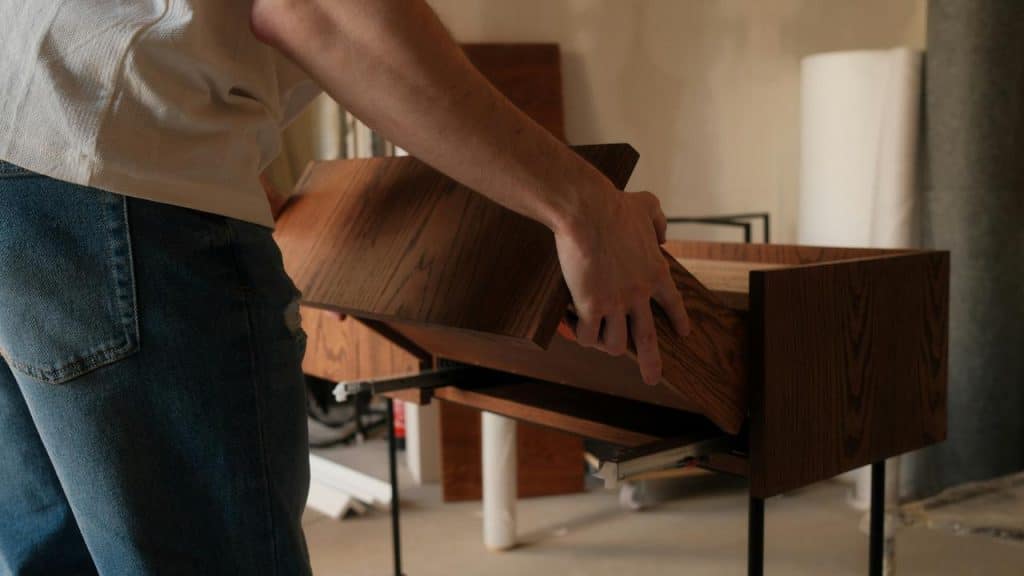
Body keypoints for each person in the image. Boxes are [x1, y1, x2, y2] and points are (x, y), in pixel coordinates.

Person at [0, 1, 689, 573]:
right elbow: (320, 8)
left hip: (33, 142)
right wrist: (584, 207)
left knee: (58, 555)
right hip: (109, 164)